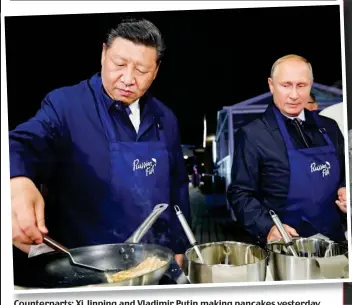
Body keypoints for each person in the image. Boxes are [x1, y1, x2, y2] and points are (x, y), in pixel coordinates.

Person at [9, 18, 190, 268]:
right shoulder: (66, 106)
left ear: (156, 70)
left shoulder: (166, 119)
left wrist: (180, 244)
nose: (128, 79)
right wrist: (16, 179)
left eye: (141, 70)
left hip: (154, 265)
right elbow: (21, 143)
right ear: (104, 54)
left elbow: (177, 187)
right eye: (120, 64)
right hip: (87, 269)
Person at [227, 54, 347, 244]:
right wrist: (267, 227)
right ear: (271, 85)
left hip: (334, 243)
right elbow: (240, 194)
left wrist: (345, 189)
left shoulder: (330, 127)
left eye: (301, 85)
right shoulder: (253, 135)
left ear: (311, 85)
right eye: (285, 85)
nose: (294, 95)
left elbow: (345, 173)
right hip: (284, 248)